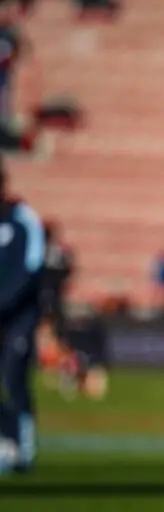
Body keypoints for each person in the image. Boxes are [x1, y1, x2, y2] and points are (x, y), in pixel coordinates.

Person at [0, 162, 46, 475]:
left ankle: (23, 447)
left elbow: (30, 268)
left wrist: (5, 304)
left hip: (19, 317)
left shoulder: (23, 219)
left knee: (14, 376)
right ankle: (7, 438)